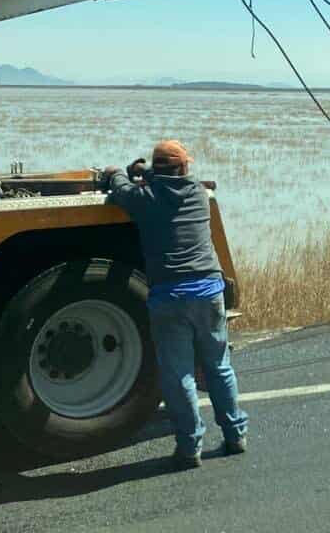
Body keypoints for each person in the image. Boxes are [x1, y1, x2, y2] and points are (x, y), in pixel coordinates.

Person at [103, 140, 249, 470]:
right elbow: (163, 180)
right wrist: (146, 172)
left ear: (158, 170)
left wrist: (116, 173)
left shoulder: (144, 199)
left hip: (169, 296)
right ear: (184, 168)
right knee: (218, 365)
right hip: (209, 292)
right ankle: (235, 434)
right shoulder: (198, 194)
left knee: (178, 373)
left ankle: (189, 448)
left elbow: (120, 187)